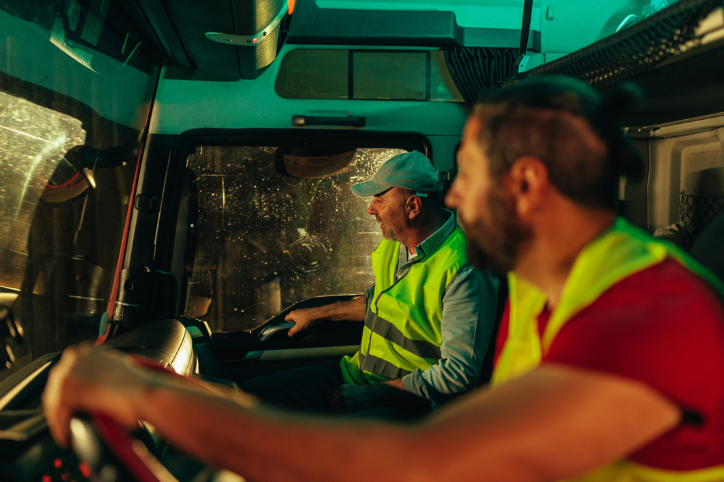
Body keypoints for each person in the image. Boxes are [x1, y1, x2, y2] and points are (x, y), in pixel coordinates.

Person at [43, 78, 724, 481]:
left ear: (525, 184)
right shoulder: (547, 286)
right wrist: (171, 388)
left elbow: (415, 460)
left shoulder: (647, 320)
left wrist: (147, 400)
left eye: (468, 180)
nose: (452, 201)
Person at [240, 150, 499, 419]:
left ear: (412, 207)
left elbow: (458, 373)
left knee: (338, 442)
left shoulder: (465, 269)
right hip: (361, 374)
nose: (370, 209)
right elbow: (377, 302)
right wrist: (315, 314)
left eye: (379, 198)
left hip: (411, 403)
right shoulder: (394, 245)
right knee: (249, 397)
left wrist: (375, 394)